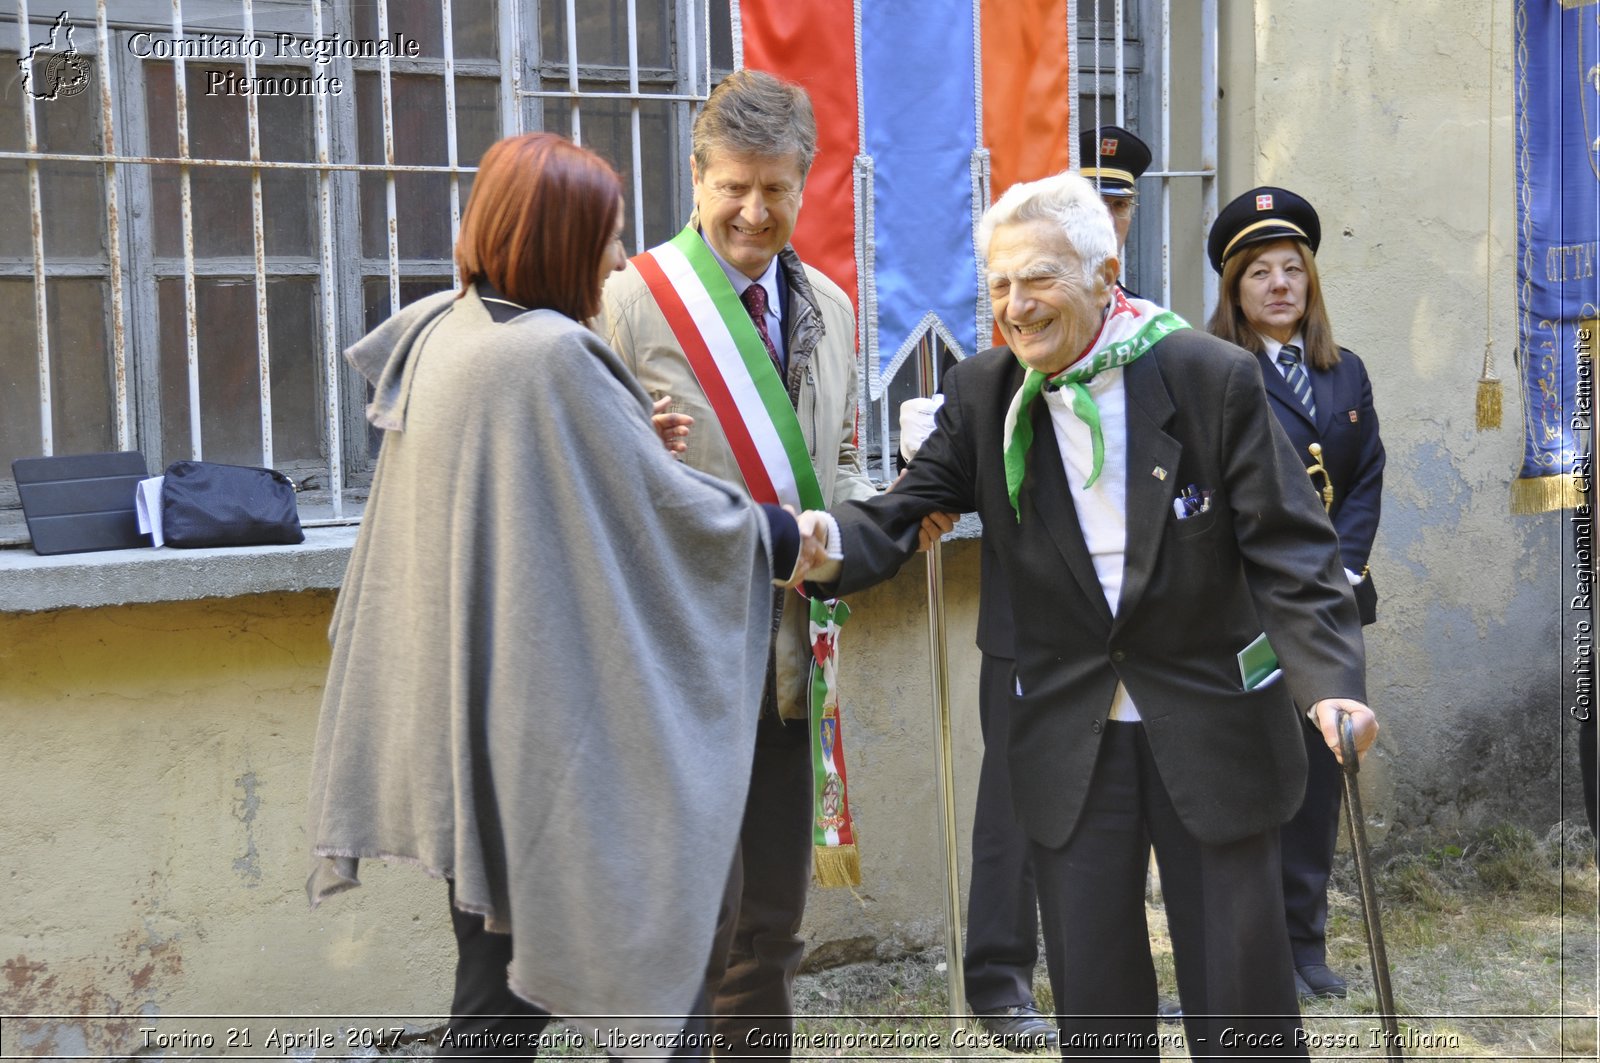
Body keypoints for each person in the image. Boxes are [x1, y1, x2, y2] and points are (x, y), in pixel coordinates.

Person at [801, 171, 1378, 1054]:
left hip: (1210, 713)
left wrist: (1329, 682)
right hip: (1071, 727)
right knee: (1097, 999)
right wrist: (818, 544)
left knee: (1243, 994)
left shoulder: (1207, 376)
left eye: (1038, 279)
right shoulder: (986, 393)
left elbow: (1291, 547)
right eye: (998, 285)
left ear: (1105, 275)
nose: (1015, 306)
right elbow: (901, 508)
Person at [304, 132, 828, 1059]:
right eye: (607, 236)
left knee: (493, 991)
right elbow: (665, 518)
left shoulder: (449, 329)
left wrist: (632, 450)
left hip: (474, 716)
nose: (621, 258)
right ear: (557, 238)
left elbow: (550, 507)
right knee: (574, 981)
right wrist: (791, 535)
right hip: (540, 742)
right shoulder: (548, 355)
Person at [599, 70, 878, 1056]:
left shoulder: (834, 307)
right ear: (697, 176)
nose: (754, 212)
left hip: (794, 658)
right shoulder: (630, 303)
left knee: (770, 920)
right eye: (733, 188)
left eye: (776, 189)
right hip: (681, 657)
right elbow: (590, 477)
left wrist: (856, 530)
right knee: (687, 921)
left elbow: (839, 453)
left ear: (805, 184)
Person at [959, 122, 1154, 1052]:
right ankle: (999, 978)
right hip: (1028, 633)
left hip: (1137, 648)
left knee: (1110, 837)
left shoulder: (1157, 343)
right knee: (1016, 809)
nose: (1109, 218)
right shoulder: (1010, 341)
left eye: (1118, 205)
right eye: (1095, 200)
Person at [1207, 186, 1385, 1002]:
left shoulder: (1343, 371)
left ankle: (1305, 943)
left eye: (1293, 271)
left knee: (1320, 778)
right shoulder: (1214, 372)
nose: (1280, 286)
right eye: (1260, 274)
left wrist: (1342, 570)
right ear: (1235, 289)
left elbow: (1366, 475)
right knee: (1251, 780)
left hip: (1330, 608)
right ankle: (1247, 950)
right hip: (1246, 610)